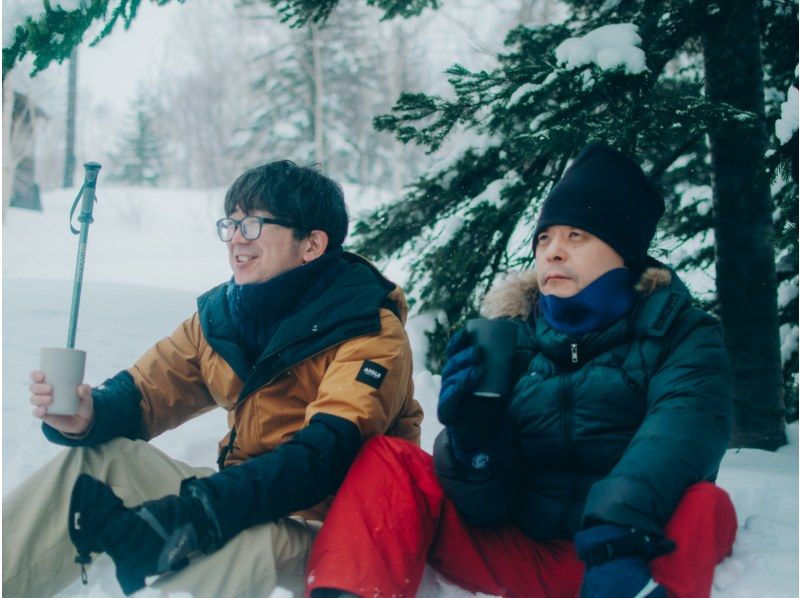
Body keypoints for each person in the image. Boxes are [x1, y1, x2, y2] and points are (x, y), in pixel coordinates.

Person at [305, 143, 738, 598]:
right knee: (390, 461)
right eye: (544, 238)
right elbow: (486, 508)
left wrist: (619, 522)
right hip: (522, 551)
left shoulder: (683, 333)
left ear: (624, 251)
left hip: (629, 551)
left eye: (576, 236)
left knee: (705, 506)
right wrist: (476, 444)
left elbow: (679, 434)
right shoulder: (510, 337)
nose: (552, 252)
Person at [3, 161, 423, 598]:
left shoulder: (367, 332)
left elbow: (323, 456)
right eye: (233, 223)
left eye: (256, 223)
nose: (237, 238)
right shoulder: (225, 318)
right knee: (94, 464)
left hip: (334, 537)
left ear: (312, 244)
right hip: (242, 503)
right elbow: (147, 392)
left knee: (233, 543)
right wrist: (91, 414)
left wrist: (203, 510)